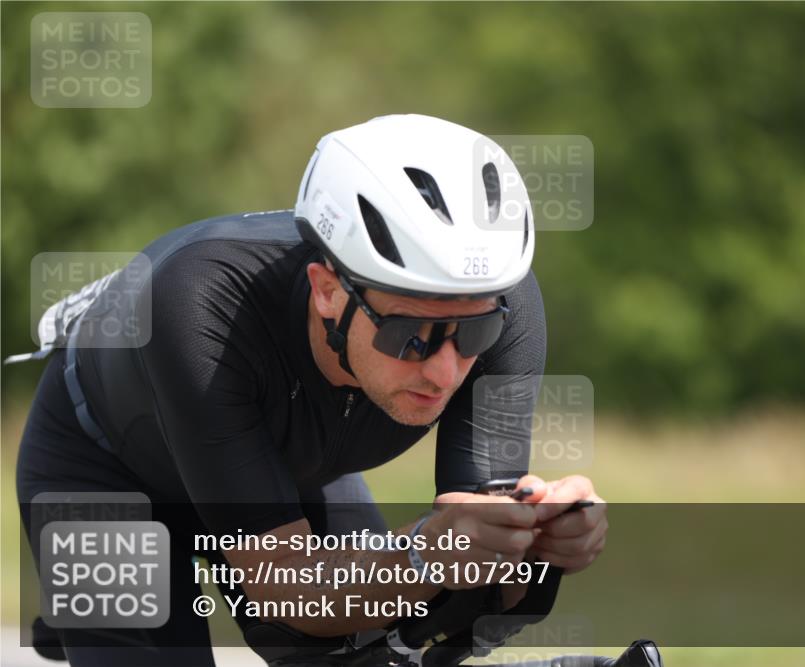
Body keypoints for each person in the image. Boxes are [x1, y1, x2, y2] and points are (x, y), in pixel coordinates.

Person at [14, 114, 607, 666]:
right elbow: (292, 592)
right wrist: (423, 553)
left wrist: (540, 545)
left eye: (473, 331)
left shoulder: (509, 305)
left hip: (281, 464)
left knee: (371, 636)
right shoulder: (197, 305)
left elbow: (467, 562)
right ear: (327, 291)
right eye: (410, 336)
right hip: (107, 472)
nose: (446, 373)